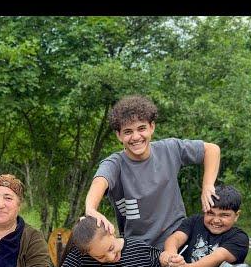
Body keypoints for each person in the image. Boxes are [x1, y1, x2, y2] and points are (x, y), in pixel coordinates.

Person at [85, 95, 221, 249]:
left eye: (141, 128)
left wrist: (208, 185)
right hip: (137, 249)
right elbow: (99, 181)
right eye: (128, 131)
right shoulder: (115, 164)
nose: (136, 137)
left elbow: (212, 149)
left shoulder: (170, 149)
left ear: (152, 127)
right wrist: (90, 208)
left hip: (178, 241)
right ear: (119, 135)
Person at [163, 185, 249, 267]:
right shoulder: (194, 222)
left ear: (236, 215)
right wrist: (171, 256)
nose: (216, 220)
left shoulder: (239, 237)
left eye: (224, 215)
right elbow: (175, 238)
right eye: (210, 213)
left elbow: (217, 258)